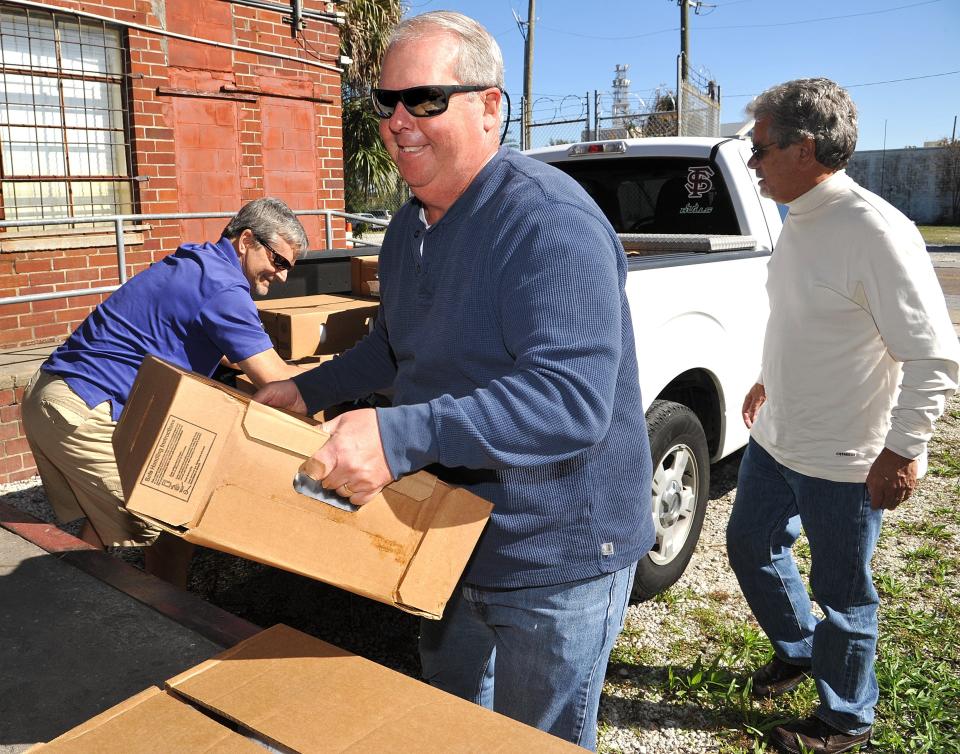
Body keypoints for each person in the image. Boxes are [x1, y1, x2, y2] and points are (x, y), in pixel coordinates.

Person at [254, 11, 653, 750]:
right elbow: (393, 347)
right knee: (451, 722)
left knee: (538, 738)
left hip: (556, 549)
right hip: (446, 527)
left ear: (490, 105)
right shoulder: (410, 227)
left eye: (426, 99)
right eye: (385, 102)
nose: (399, 121)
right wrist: (304, 390)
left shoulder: (548, 223)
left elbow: (570, 402)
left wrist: (401, 433)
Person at [726, 78, 960, 754]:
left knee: (844, 596)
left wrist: (902, 448)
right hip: (779, 441)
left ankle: (845, 720)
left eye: (760, 149)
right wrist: (769, 378)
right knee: (749, 546)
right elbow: (809, 315)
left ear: (805, 148)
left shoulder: (875, 230)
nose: (752, 162)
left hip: (846, 458)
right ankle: (800, 651)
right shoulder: (800, 214)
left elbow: (934, 356)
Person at [22, 197, 308, 587]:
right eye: (279, 262)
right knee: (167, 516)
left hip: (58, 395)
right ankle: (171, 617)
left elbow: (209, 343)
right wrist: (329, 393)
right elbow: (278, 384)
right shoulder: (224, 288)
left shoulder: (200, 262)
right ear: (246, 240)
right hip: (82, 411)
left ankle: (67, 596)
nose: (282, 277)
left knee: (106, 515)